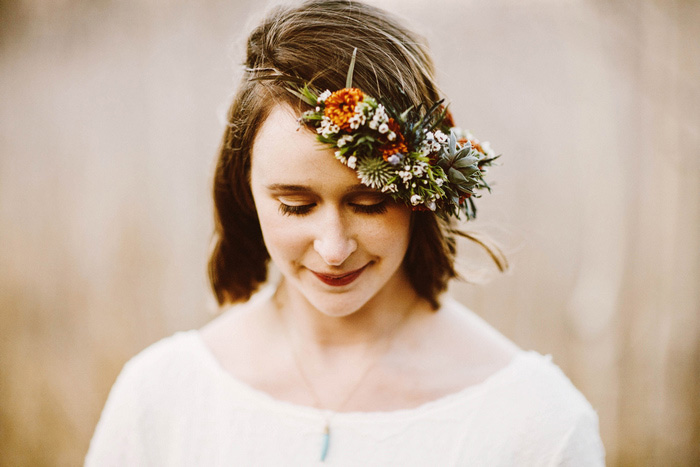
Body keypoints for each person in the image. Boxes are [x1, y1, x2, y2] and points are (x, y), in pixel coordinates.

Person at [86, 0, 605, 465]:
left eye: (370, 203)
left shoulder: (537, 424)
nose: (333, 248)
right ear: (244, 191)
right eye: (295, 205)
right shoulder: (162, 397)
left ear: (423, 194)